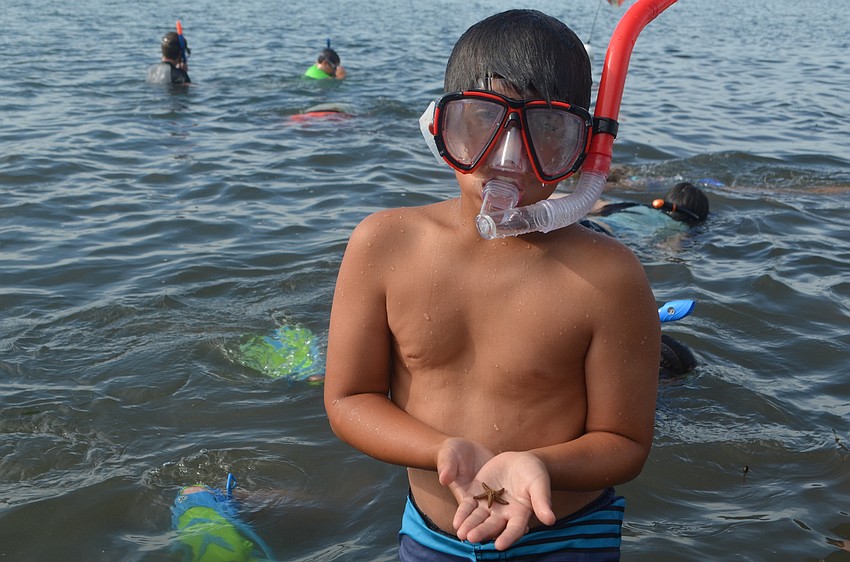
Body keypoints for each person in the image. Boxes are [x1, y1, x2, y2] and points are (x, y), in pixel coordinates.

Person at [324, 9, 659, 561]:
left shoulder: (608, 276)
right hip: (431, 535)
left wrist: (540, 464)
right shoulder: (382, 245)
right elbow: (348, 399)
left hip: (566, 535)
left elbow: (625, 442)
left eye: (546, 132)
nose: (506, 160)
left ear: (581, 147)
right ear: (439, 125)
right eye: (480, 121)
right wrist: (440, 450)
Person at [579, 181, 710, 237]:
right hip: (604, 236)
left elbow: (592, 204)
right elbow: (671, 251)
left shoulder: (635, 206)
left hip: (584, 225)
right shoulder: (681, 227)